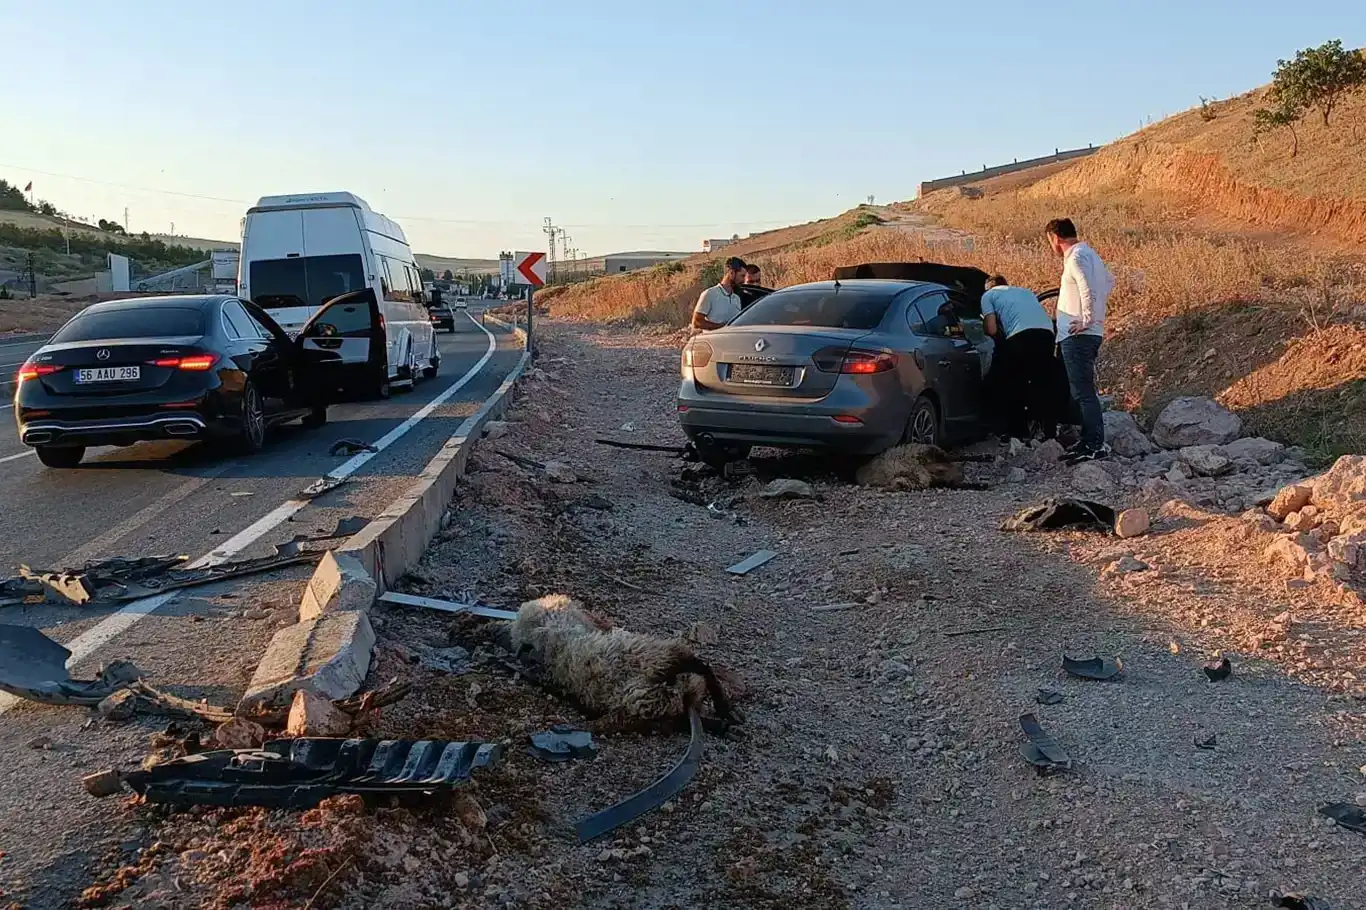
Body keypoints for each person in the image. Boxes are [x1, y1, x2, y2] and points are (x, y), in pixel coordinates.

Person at [1046, 217, 1114, 462]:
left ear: (1055, 238)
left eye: (1049, 242)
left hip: (1078, 335)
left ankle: (1095, 444)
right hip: (1087, 333)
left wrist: (1087, 318)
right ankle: (1088, 441)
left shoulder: (1075, 257)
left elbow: (1086, 286)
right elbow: (1109, 282)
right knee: (1082, 391)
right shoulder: (1091, 255)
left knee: (1083, 393)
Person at [981, 275, 1058, 441]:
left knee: (1014, 383)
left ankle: (1018, 431)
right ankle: (1049, 430)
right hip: (1047, 334)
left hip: (1021, 337)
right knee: (1042, 382)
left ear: (988, 287)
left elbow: (992, 329)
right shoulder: (1025, 291)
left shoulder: (988, 295)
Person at [690, 256, 747, 332]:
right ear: (731, 273)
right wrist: (722, 327)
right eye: (742, 276)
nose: (743, 280)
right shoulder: (710, 294)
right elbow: (697, 322)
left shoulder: (736, 298)